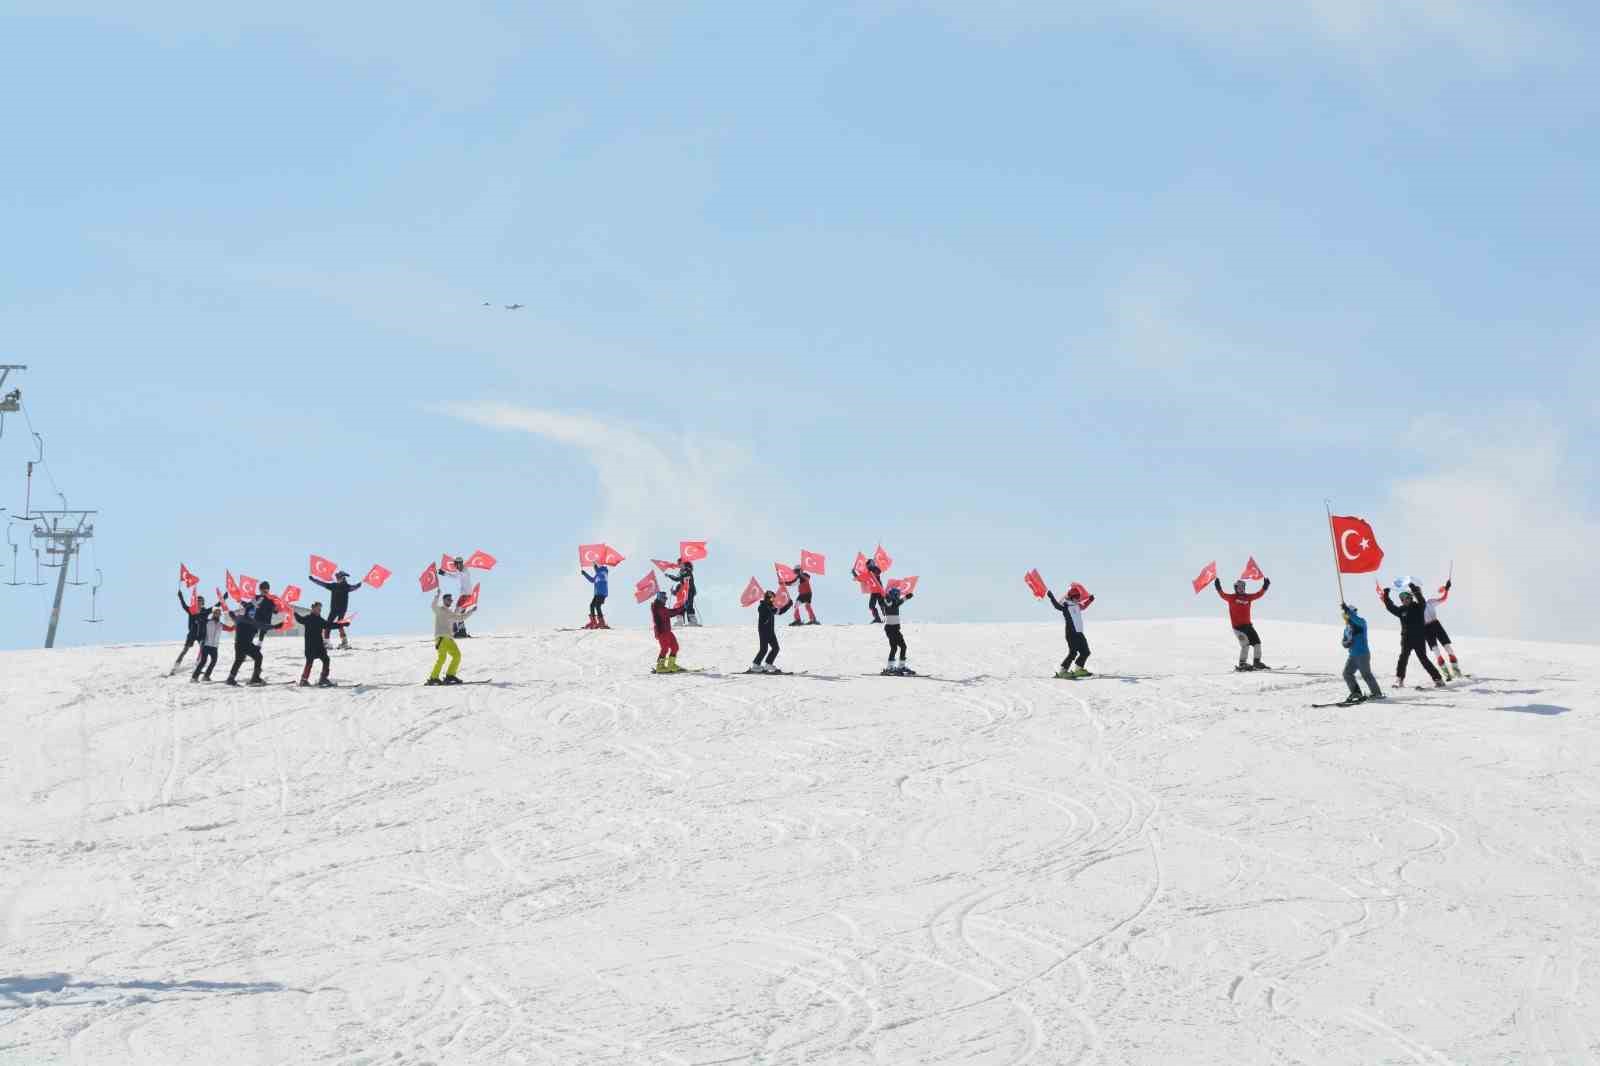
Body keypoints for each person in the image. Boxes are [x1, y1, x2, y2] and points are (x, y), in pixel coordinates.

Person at [1381, 585, 1446, 688]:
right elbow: (1390, 607)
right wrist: (1386, 595)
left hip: (1418, 638)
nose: (1404, 600)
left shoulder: (1419, 607)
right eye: (1402, 599)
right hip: (1406, 638)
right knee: (1403, 658)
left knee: (1423, 659)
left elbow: (1421, 600)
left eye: (1406, 598)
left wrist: (1414, 589)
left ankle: (1438, 679)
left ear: (1410, 598)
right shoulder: (1401, 610)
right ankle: (1399, 679)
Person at [1215, 575, 1272, 671]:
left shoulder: (1248, 597)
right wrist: (1218, 587)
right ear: (1236, 588)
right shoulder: (1231, 598)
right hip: (1238, 628)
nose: (1241, 589)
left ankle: (1257, 662)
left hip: (1248, 626)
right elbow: (1222, 595)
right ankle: (1242, 663)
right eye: (1239, 587)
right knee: (1245, 644)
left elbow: (1258, 594)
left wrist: (1265, 586)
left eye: (1242, 587)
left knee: (1257, 643)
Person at [293, 602, 350, 687]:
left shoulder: (320, 620)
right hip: (310, 646)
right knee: (309, 662)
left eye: (320, 608)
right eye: (318, 608)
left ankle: (323, 679)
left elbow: (329, 625)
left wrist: (342, 624)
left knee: (326, 660)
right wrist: (293, 612)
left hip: (319, 646)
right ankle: (303, 680)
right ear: (312, 608)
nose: (319, 610)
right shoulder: (308, 618)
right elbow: (300, 619)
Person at [1337, 602, 1383, 705]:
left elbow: (1356, 620)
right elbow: (1344, 641)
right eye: (1344, 616)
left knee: (1366, 674)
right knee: (1347, 673)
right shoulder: (1347, 629)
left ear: (1352, 613)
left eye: (1347, 615)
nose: (1346, 618)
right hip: (1352, 655)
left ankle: (1377, 693)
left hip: (1362, 654)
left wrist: (1348, 611)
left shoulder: (1361, 623)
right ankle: (1356, 693)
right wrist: (1346, 643)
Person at [426, 590, 476, 685]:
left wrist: (471, 611)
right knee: (442, 658)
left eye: (451, 600)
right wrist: (437, 595)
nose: (450, 601)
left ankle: (450, 675)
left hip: (449, 638)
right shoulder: (439, 609)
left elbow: (461, 618)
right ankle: (433, 677)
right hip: (441, 637)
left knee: (457, 655)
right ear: (444, 600)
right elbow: (433, 606)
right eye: (448, 600)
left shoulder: (450, 613)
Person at [1047, 586, 1096, 678]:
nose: (1078, 599)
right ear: (1072, 597)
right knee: (1073, 652)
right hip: (1071, 633)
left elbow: (1084, 606)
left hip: (1079, 633)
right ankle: (1062, 671)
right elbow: (1057, 606)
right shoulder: (1066, 606)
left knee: (1086, 652)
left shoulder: (1077, 605)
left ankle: (1078, 669)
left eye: (1079, 597)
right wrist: (1051, 597)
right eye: (1077, 597)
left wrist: (1090, 600)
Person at [1420, 580, 1464, 679]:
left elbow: (1443, 599)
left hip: (1436, 625)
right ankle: (1447, 674)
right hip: (1426, 629)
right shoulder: (1415, 608)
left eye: (1419, 592)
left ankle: (1456, 672)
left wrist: (1446, 590)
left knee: (1448, 648)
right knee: (1437, 652)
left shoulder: (1429, 602)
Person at [309, 569, 362, 649]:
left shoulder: (345, 586)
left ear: (343, 578)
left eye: (338, 577)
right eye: (336, 577)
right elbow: (322, 584)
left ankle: (340, 643)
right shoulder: (335, 586)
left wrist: (358, 585)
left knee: (336, 625)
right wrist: (313, 580)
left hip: (339, 610)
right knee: (330, 625)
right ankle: (329, 643)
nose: (337, 579)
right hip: (335, 609)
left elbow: (353, 587)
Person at [224, 597, 265, 686]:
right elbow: (264, 626)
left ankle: (231, 678)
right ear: (247, 612)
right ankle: (255, 678)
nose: (252, 614)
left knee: (240, 660)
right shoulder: (248, 620)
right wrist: (277, 626)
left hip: (241, 644)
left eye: (253, 613)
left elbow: (234, 617)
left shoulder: (242, 619)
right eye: (251, 612)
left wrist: (231, 614)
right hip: (243, 644)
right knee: (257, 657)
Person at [751, 590, 794, 672]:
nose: (773, 600)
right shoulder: (762, 606)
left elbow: (780, 612)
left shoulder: (771, 606)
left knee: (776, 648)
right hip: (764, 630)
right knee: (764, 649)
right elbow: (765, 611)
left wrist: (788, 605)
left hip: (770, 631)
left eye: (774, 598)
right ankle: (755, 666)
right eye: (772, 598)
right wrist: (770, 608)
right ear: (767, 598)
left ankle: (768, 664)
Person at [650, 589, 688, 672]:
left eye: (666, 598)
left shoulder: (661, 608)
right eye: (664, 598)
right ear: (660, 598)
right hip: (662, 632)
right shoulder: (657, 608)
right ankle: (660, 667)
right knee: (665, 648)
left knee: (675, 647)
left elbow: (670, 613)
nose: (666, 600)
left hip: (667, 631)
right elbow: (671, 613)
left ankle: (671, 665)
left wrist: (682, 608)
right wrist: (682, 608)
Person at [169, 590, 206, 676]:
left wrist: (223, 599)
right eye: (198, 601)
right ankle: (175, 668)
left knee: (203, 649)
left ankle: (198, 667)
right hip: (192, 634)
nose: (199, 602)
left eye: (201, 601)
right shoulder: (191, 610)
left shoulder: (204, 611)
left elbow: (213, 608)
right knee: (185, 650)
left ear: (203, 602)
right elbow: (184, 606)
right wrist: (180, 597)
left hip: (201, 634)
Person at [880, 585, 915, 674]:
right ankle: (893, 667)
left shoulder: (892, 602)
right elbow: (893, 603)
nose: (899, 596)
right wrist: (906, 597)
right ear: (894, 595)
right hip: (891, 629)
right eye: (897, 595)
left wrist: (907, 597)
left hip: (893, 628)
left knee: (899, 647)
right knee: (898, 647)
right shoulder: (890, 602)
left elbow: (900, 601)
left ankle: (896, 667)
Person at [190, 603, 224, 683]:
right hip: (206, 644)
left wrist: (236, 624)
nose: (217, 614)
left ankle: (206, 676)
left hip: (214, 646)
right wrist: (197, 616)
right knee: (203, 661)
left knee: (214, 661)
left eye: (219, 613)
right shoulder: (207, 622)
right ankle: (194, 677)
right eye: (216, 613)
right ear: (213, 614)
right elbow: (199, 619)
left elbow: (229, 628)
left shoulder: (220, 624)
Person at [663, 559, 700, 626]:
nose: (679, 565)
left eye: (680, 563)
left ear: (683, 563)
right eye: (678, 564)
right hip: (685, 591)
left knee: (689, 605)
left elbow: (678, 578)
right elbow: (677, 578)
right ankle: (681, 621)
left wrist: (670, 576)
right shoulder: (682, 571)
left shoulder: (687, 570)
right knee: (682, 606)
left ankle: (693, 621)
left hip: (689, 590)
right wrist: (669, 576)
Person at [447, 557, 475, 638]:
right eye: (455, 564)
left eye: (457, 564)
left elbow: (459, 575)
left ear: (461, 563)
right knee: (458, 613)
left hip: (467, 595)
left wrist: (445, 572)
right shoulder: (460, 571)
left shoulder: (465, 570)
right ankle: (461, 631)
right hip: (463, 595)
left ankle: (459, 631)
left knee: (457, 613)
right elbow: (455, 576)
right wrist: (443, 573)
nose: (456, 566)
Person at [852, 557, 886, 623]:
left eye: (869, 564)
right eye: (867, 565)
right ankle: (877, 618)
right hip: (874, 591)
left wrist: (872, 567)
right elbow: (860, 579)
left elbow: (878, 571)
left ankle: (886, 617)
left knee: (882, 604)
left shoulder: (875, 570)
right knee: (871, 606)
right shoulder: (867, 573)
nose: (867, 566)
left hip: (879, 590)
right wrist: (854, 573)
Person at [581, 564, 610, 629]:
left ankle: (602, 622)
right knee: (591, 605)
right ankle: (593, 621)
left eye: (595, 568)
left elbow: (602, 575)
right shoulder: (597, 575)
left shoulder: (604, 572)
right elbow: (592, 580)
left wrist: (596, 566)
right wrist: (585, 574)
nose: (594, 569)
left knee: (597, 606)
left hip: (602, 593)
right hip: (597, 593)